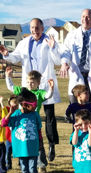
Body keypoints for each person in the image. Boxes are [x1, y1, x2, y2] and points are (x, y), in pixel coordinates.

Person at [0, 18, 61, 161]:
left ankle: (52, 144)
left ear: (42, 28)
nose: (35, 30)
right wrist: (7, 54)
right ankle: (37, 150)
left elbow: (57, 60)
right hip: (30, 85)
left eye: (37, 27)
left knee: (50, 117)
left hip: (45, 83)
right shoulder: (24, 42)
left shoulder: (49, 41)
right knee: (30, 117)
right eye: (32, 28)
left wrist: (53, 48)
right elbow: (16, 58)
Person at [60, 8, 91, 119]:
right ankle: (76, 135)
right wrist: (64, 63)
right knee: (75, 111)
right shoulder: (72, 35)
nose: (85, 19)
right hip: (77, 75)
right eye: (83, 16)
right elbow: (65, 52)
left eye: (88, 17)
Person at [5, 67, 54, 173]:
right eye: (28, 82)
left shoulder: (40, 93)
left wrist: (51, 88)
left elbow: (48, 95)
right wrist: (8, 76)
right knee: (22, 140)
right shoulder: (22, 90)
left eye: (32, 82)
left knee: (38, 143)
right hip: (21, 122)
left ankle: (41, 164)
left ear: (38, 83)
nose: (29, 84)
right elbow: (11, 87)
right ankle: (22, 161)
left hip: (33, 122)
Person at [1, 88, 42, 173]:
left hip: (33, 148)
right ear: (24, 104)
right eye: (33, 103)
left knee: (33, 169)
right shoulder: (16, 115)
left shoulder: (35, 115)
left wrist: (41, 144)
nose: (35, 105)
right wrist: (10, 112)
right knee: (24, 169)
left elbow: (39, 130)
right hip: (20, 149)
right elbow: (3, 123)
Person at [65, 84, 91, 154]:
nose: (88, 95)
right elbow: (67, 114)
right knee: (76, 143)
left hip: (89, 130)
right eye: (86, 93)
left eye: (88, 93)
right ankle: (76, 157)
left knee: (89, 146)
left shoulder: (90, 106)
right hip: (78, 130)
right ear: (79, 95)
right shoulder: (73, 106)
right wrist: (69, 119)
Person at [5, 95, 19, 170]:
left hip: (17, 137)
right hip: (9, 137)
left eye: (16, 104)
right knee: (8, 152)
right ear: (9, 104)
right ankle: (8, 165)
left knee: (19, 151)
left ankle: (20, 163)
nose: (15, 105)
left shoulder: (19, 112)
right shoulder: (7, 110)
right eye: (13, 103)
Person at [0, 96, 8, 173]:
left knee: (2, 159)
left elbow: (5, 116)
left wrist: (2, 104)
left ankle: (2, 172)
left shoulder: (2, 120)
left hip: (1, 143)